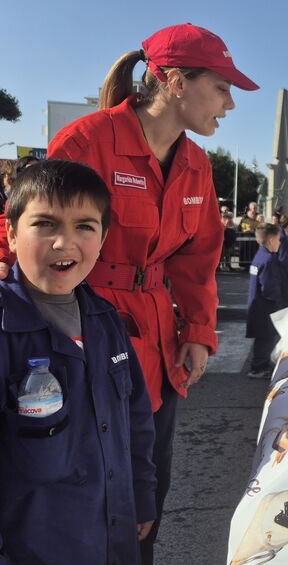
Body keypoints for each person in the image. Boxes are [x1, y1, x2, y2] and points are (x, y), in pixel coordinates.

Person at [0, 23, 257, 563]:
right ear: (175, 82)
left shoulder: (197, 165)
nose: (230, 104)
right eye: (222, 87)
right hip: (78, 336)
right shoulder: (88, 140)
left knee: (144, 490)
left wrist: (199, 333)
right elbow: (35, 231)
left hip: (158, 347)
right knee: (68, 489)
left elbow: (199, 256)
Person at [0, 159, 156, 564]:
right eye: (45, 224)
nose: (64, 243)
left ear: (102, 241)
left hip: (114, 536)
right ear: (11, 234)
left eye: (84, 226)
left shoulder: (106, 321)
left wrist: (140, 494)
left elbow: (135, 418)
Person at [246, 223, 288, 379]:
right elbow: (269, 287)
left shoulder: (260, 255)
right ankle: (258, 368)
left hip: (257, 306)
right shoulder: (269, 260)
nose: (279, 242)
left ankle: (259, 364)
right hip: (265, 308)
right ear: (271, 239)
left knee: (263, 338)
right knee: (266, 337)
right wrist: (280, 303)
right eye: (278, 239)